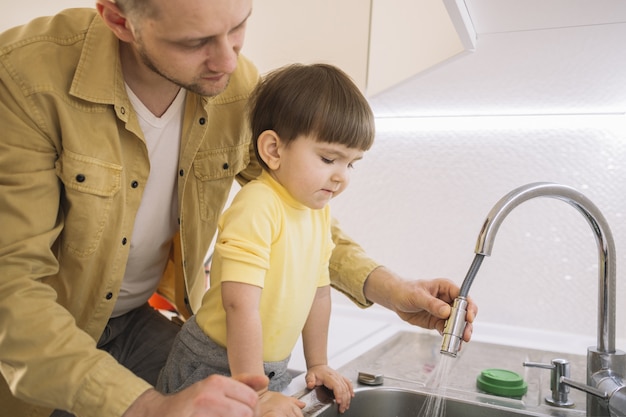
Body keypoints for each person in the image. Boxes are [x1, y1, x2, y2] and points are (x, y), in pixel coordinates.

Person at [0, 1, 477, 417]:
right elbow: (12, 292)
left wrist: (390, 289)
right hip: (46, 338)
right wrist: (148, 407)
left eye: (238, 26)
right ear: (118, 20)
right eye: (195, 41)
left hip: (136, 320)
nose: (228, 61)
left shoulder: (233, 86)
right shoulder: (25, 79)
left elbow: (295, 212)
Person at [157, 63, 374, 415]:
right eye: (329, 158)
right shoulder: (259, 205)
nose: (341, 178)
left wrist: (317, 363)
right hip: (214, 366)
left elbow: (318, 294)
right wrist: (252, 390)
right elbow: (239, 304)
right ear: (273, 150)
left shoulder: (317, 212)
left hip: (262, 372)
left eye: (351, 164)